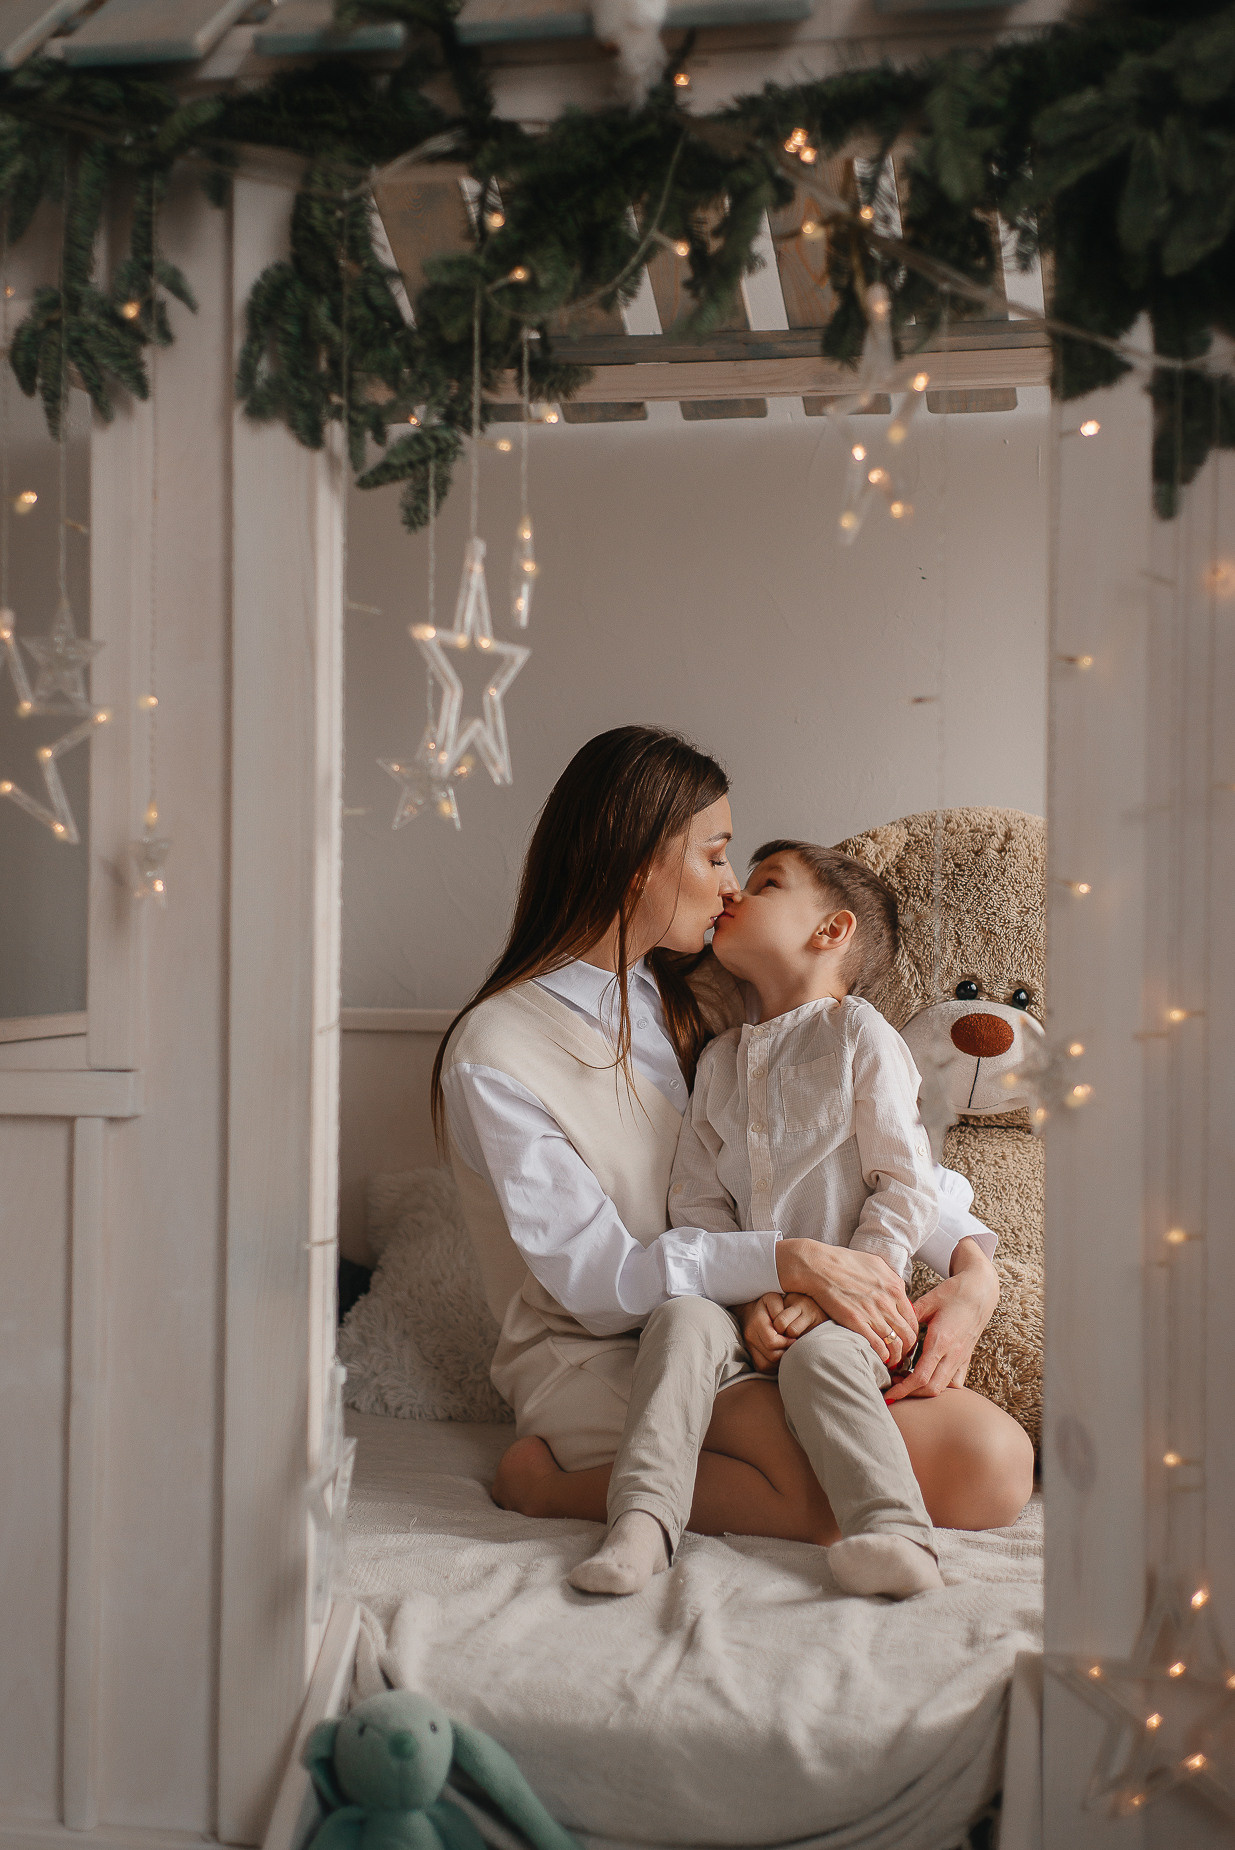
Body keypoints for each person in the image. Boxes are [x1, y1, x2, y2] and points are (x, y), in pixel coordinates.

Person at [432, 726, 1034, 1563]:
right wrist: (786, 1263)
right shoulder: (497, 1053)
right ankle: (549, 1489)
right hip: (611, 1348)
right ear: (638, 858)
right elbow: (599, 1287)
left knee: (994, 1463)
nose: (728, 890)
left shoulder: (713, 999)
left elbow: (852, 1150)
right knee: (845, 1485)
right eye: (715, 857)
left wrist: (973, 1274)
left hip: (761, 1328)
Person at [570, 839, 961, 1600]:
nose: (734, 896)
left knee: (820, 1360)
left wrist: (835, 1293)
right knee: (679, 1320)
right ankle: (642, 1525)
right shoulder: (718, 1061)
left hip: (853, 1311)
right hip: (743, 1306)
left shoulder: (860, 1035)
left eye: (766, 883)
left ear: (830, 931)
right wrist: (751, 1296)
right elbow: (698, 1204)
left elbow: (905, 1184)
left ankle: (895, 1534)